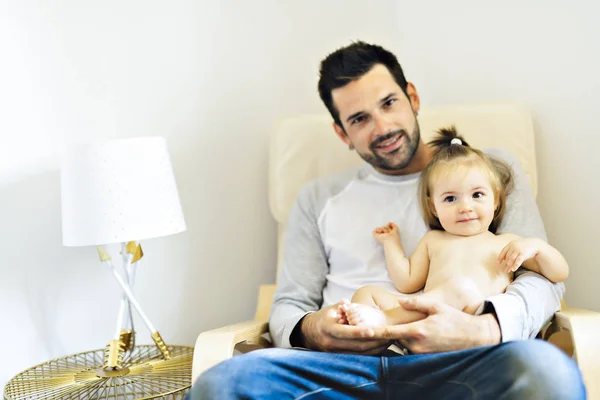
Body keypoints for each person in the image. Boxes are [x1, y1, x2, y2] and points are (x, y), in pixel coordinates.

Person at [189, 41, 585, 399]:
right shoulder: (317, 198)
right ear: (341, 132)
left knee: (546, 371)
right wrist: (315, 329)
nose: (382, 128)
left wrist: (487, 329)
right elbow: (291, 303)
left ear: (412, 96)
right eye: (359, 119)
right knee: (222, 383)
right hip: (338, 367)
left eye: (389, 103)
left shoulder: (485, 172)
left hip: (462, 356)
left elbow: (544, 278)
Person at [339, 126, 569, 329]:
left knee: (461, 288)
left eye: (477, 194)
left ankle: (388, 322)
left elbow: (559, 274)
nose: (465, 207)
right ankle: (372, 337)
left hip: (468, 322)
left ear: (496, 201)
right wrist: (391, 244)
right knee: (365, 293)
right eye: (450, 199)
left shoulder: (506, 242)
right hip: (422, 318)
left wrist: (537, 247)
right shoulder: (434, 240)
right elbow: (407, 282)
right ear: (434, 207)